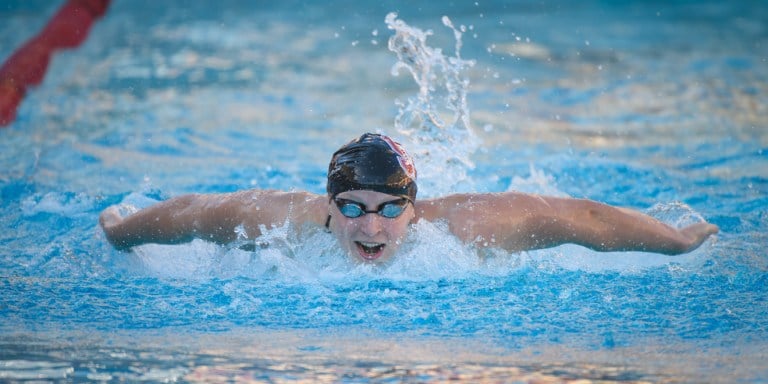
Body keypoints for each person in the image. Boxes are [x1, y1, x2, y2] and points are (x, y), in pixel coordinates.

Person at [100, 133, 719, 263]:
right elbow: (195, 212)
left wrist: (677, 241)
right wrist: (122, 229)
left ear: (414, 209)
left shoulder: (469, 227)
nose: (371, 227)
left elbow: (580, 218)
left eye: (390, 209)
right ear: (329, 205)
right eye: (353, 207)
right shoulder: (286, 220)